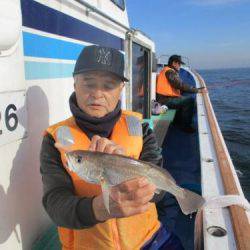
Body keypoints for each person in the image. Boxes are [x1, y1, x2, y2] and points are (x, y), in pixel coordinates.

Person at [40, 45, 184, 249]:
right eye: (88, 83)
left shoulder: (140, 128)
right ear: (75, 83)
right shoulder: (54, 139)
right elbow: (55, 204)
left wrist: (128, 173)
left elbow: (159, 192)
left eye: (108, 85)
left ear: (121, 90)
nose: (97, 94)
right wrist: (100, 209)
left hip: (150, 239)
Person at [156, 55, 206, 133]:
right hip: (166, 100)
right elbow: (179, 85)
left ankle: (177, 121)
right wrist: (196, 90)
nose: (180, 66)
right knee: (190, 101)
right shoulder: (170, 72)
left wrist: (195, 89)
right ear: (174, 63)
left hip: (164, 98)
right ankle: (185, 127)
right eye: (179, 64)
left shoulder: (166, 70)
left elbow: (178, 86)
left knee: (183, 99)